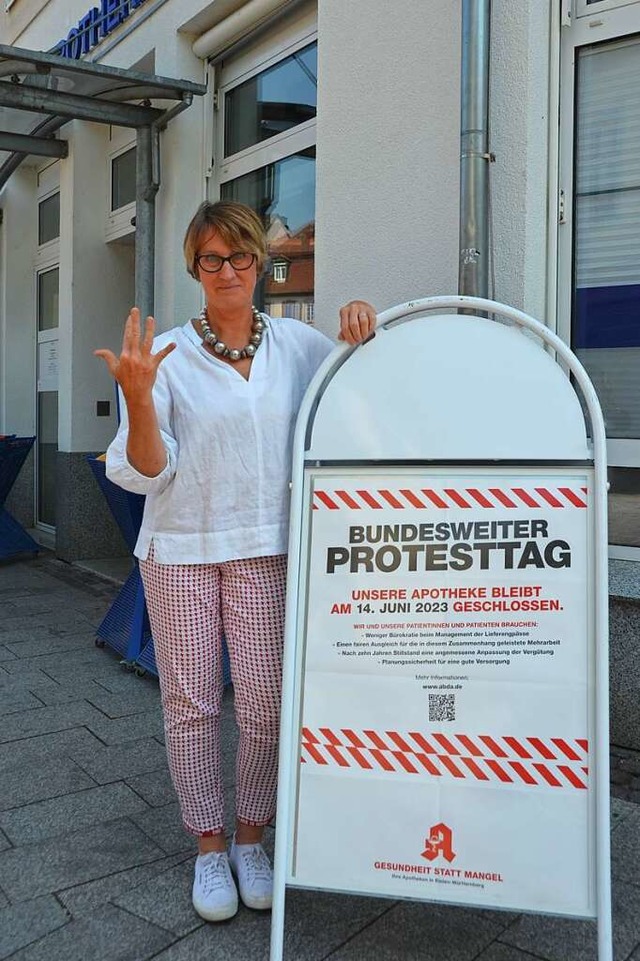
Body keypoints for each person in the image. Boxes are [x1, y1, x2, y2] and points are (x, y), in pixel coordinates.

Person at [96, 200, 376, 923]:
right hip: (182, 548)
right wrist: (137, 397)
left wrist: (361, 328)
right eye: (212, 259)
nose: (228, 271)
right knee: (191, 704)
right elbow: (151, 469)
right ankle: (208, 846)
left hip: (268, 546)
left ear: (261, 261)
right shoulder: (166, 359)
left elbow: (358, 392)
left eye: (241, 256)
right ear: (196, 268)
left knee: (264, 701)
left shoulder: (298, 345)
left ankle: (253, 835)